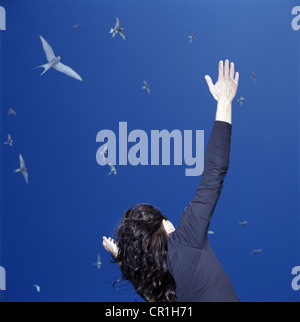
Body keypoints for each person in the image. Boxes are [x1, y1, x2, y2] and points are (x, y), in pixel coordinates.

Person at [103, 59, 240, 302]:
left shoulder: (155, 289)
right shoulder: (186, 239)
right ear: (164, 226)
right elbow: (214, 172)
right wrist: (225, 101)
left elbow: (139, 276)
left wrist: (122, 257)